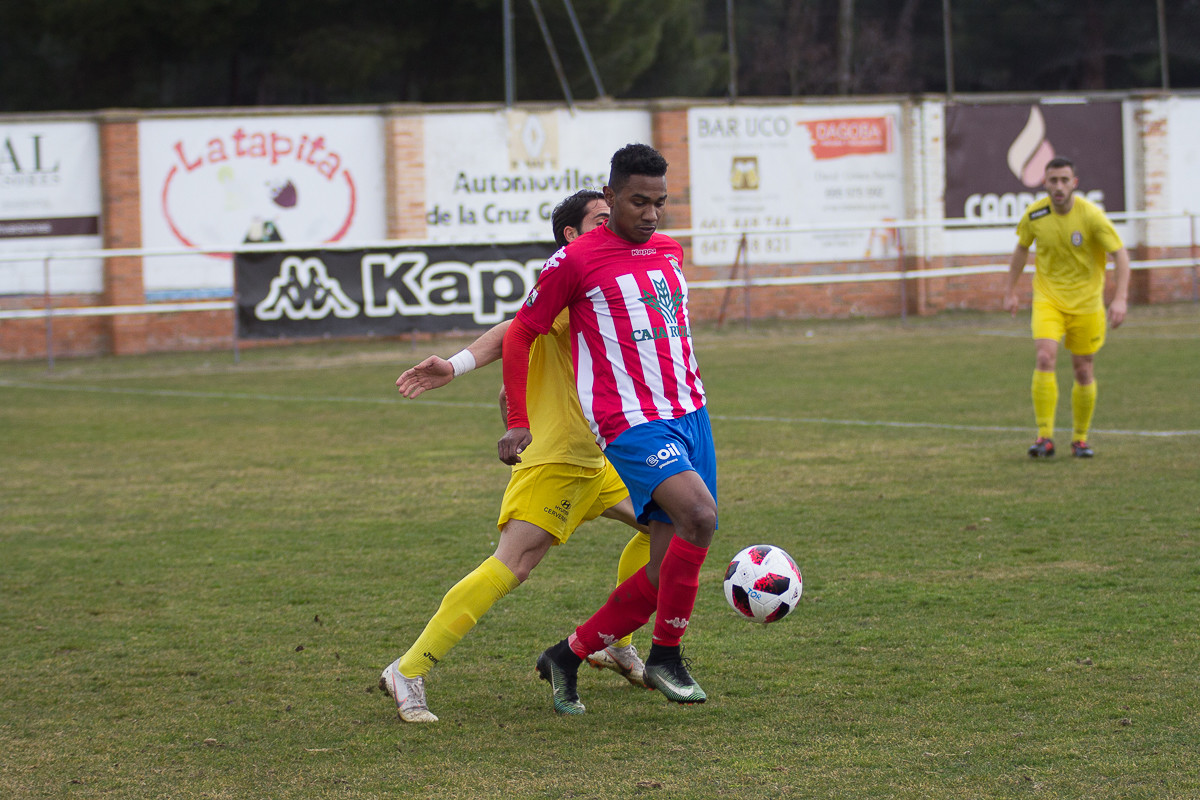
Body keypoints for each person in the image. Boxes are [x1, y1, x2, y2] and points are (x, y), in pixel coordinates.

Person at [379, 190, 653, 723]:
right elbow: (515, 329)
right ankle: (407, 670)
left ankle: (614, 642)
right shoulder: (572, 279)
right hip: (556, 459)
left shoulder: (600, 282)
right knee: (514, 566)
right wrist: (457, 365)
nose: (614, 224)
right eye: (601, 218)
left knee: (664, 525)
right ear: (572, 235)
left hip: (598, 458)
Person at [499, 143, 717, 714]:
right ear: (611, 196)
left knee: (664, 569)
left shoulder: (668, 250)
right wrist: (519, 419)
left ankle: (567, 655)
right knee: (699, 516)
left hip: (690, 412)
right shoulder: (573, 262)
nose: (651, 213)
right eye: (638, 201)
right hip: (630, 420)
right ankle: (666, 656)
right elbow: (521, 332)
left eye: (660, 202)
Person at [1004, 156, 1130, 458]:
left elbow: (1120, 255)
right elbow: (1021, 248)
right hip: (1048, 300)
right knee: (1044, 356)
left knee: (1083, 370)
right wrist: (1010, 290)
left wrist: (1120, 298)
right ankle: (1044, 437)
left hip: (1086, 304)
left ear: (1074, 183)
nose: (1059, 186)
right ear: (1044, 183)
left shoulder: (1092, 216)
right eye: (1053, 180)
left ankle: (1080, 439)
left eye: (1064, 180)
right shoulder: (1035, 215)